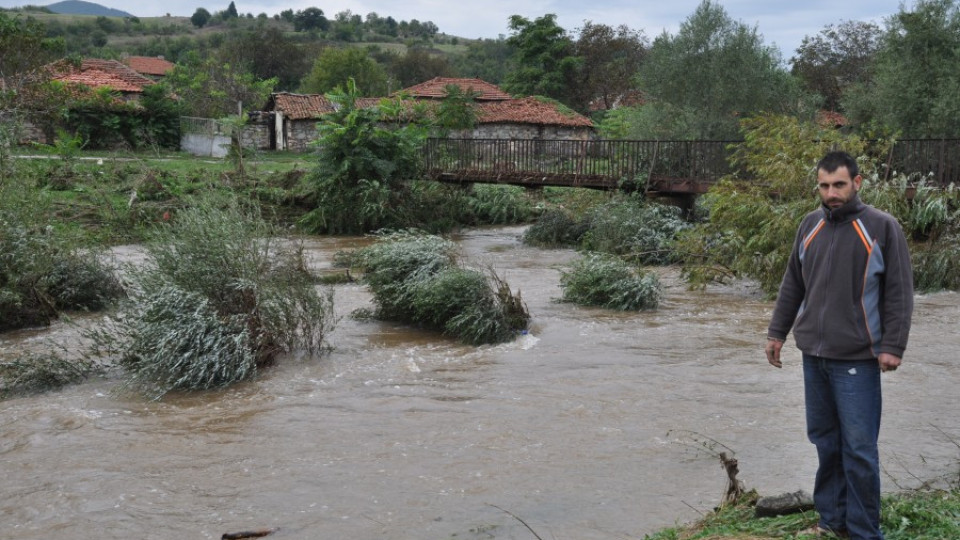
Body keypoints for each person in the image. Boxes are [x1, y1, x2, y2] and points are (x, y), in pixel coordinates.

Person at [764, 151, 913, 540]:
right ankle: (832, 522)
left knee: (860, 450)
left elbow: (899, 292)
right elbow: (792, 283)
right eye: (824, 185)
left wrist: (892, 346)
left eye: (839, 185)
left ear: (858, 183)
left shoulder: (881, 227)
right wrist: (777, 332)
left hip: (858, 360)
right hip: (813, 356)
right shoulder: (809, 225)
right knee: (826, 443)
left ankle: (865, 532)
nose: (831, 193)